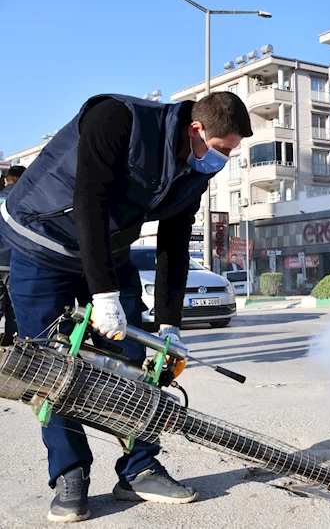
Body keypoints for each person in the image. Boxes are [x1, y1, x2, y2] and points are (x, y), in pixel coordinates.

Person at [0, 92, 252, 523]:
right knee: (51, 366)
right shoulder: (118, 119)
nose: (225, 159)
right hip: (41, 243)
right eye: (224, 148)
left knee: (133, 361)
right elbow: (88, 202)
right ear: (197, 130)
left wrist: (169, 326)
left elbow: (173, 243)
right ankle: (70, 474)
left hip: (107, 252)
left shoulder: (194, 169)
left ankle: (139, 468)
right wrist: (103, 295)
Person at [0, 165, 24, 346]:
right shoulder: (28, 198)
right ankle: (11, 348)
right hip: (16, 260)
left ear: (6, 180)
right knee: (16, 309)